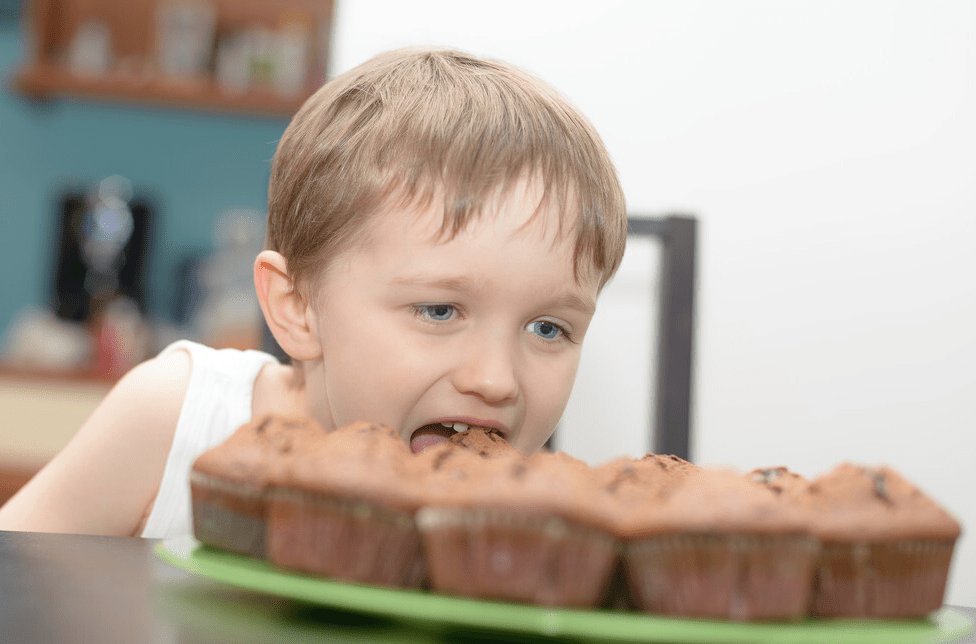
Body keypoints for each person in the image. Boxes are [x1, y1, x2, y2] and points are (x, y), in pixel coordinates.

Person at [0, 47, 627, 539]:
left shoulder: (524, 528)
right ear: (296, 308)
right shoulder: (181, 422)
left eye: (548, 328)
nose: (497, 381)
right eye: (439, 309)